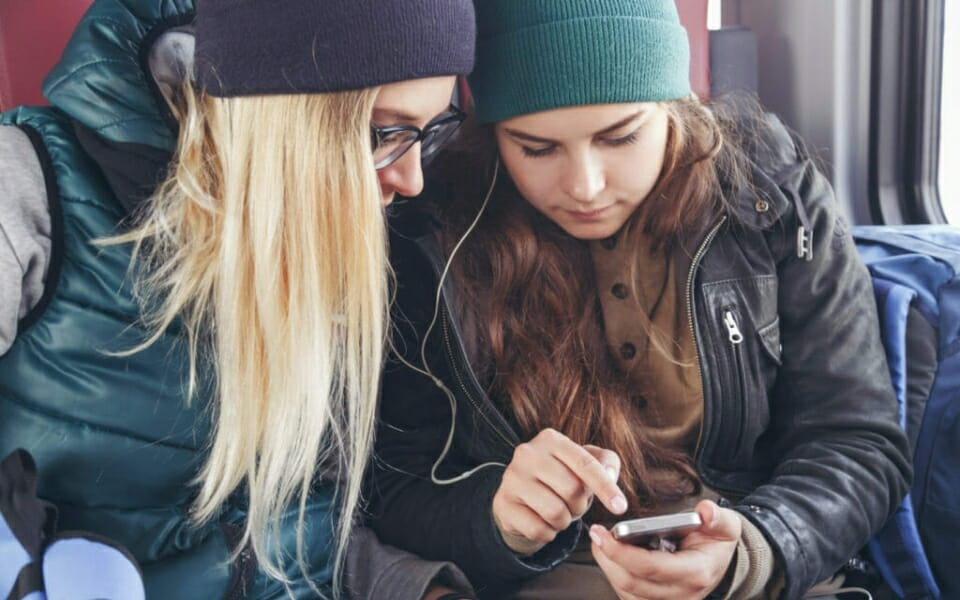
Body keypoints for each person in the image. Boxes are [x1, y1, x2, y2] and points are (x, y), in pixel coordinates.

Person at [368, 1, 913, 598]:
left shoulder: (770, 191)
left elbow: (859, 444)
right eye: (537, 148)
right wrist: (498, 519)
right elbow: (393, 487)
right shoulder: (433, 229)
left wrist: (751, 552)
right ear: (492, 136)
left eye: (621, 136)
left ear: (673, 107)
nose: (585, 187)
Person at [0, 0, 478, 598]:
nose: (412, 180)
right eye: (380, 132)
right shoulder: (25, 185)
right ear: (278, 114)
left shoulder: (337, 233)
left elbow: (293, 534)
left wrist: (411, 589)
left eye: (433, 129)